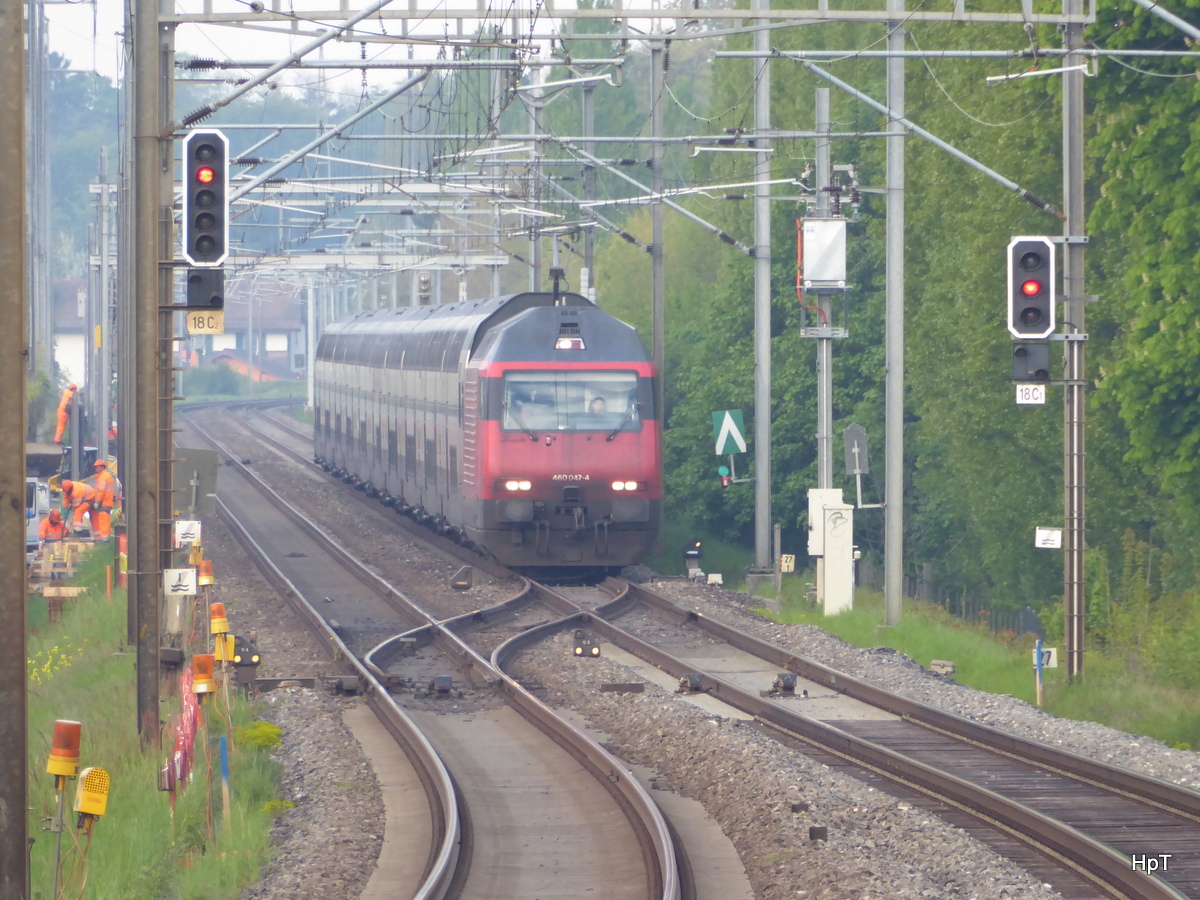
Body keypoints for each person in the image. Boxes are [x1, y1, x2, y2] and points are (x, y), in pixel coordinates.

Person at [88, 459, 120, 540]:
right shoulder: (107, 476)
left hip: (104, 503)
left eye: (97, 468)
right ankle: (106, 537)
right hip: (108, 502)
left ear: (102, 467)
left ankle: (105, 538)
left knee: (103, 521)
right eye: (95, 468)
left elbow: (101, 491)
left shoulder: (103, 477)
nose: (96, 470)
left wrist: (97, 502)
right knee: (105, 520)